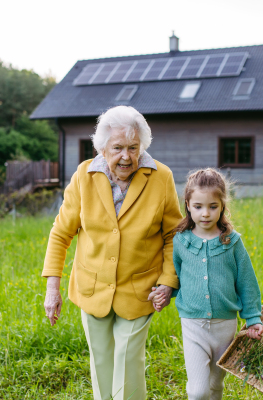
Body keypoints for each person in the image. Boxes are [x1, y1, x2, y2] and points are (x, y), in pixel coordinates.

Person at [42, 105, 182, 400]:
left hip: (139, 288)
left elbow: (173, 235)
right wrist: (52, 287)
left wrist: (168, 281)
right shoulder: (84, 176)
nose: (126, 157)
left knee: (129, 360)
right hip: (91, 286)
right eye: (118, 147)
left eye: (133, 147)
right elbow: (61, 232)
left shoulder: (161, 177)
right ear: (102, 148)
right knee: (102, 361)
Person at [150, 168, 263, 400]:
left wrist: (252, 319)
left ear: (222, 206)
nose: (205, 214)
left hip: (225, 326)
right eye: (198, 206)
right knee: (198, 390)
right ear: (188, 205)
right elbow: (178, 276)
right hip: (193, 324)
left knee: (215, 385)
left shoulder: (232, 242)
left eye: (213, 206)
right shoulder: (180, 241)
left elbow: (247, 282)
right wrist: (165, 291)